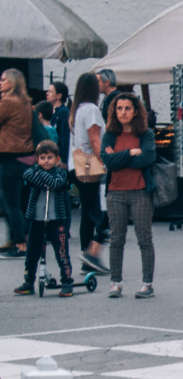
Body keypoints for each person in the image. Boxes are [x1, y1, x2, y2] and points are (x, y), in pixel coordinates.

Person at [100, 93, 157, 299]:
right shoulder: (109, 134)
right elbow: (107, 161)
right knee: (116, 239)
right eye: (119, 108)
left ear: (135, 111)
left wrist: (119, 157)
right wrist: (130, 153)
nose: (122, 112)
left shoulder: (146, 134)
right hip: (115, 193)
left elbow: (148, 158)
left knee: (144, 238)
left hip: (140, 191)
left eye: (127, 108)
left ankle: (147, 283)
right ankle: (115, 282)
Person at [14, 141, 74, 297]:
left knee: (61, 252)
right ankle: (28, 282)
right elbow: (27, 175)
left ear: (57, 159)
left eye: (49, 157)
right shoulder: (31, 171)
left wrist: (39, 175)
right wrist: (42, 177)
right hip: (37, 219)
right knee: (32, 252)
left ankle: (67, 281)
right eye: (42, 158)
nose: (46, 160)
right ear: (37, 159)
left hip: (56, 220)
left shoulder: (61, 173)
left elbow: (55, 183)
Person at [69, 72, 109, 274]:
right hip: (91, 166)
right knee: (100, 210)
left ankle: (87, 253)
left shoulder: (77, 109)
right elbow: (95, 140)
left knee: (87, 211)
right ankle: (91, 254)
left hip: (78, 166)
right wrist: (105, 160)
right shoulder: (92, 109)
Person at [0, 69, 35, 259]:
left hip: (9, 157)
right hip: (26, 156)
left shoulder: (7, 102)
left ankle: (20, 244)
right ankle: (24, 240)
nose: (0, 82)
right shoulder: (25, 102)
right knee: (21, 203)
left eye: (4, 80)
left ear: (13, 83)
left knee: (10, 204)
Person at [46, 81, 71, 165]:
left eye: (50, 91)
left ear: (59, 95)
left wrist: (64, 160)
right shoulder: (49, 112)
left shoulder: (64, 112)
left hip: (58, 157)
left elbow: (65, 137)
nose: (47, 93)